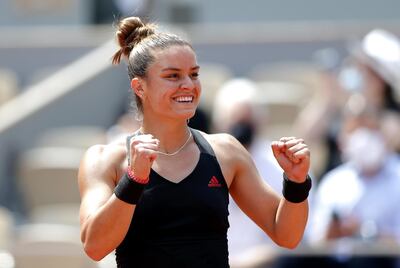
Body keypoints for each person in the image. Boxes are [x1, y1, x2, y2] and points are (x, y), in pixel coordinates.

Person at [78, 16, 312, 268]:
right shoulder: (105, 159)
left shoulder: (226, 151)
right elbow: (95, 246)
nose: (188, 85)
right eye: (173, 76)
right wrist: (133, 181)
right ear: (140, 87)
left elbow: (286, 235)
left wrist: (296, 183)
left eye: (194, 74)